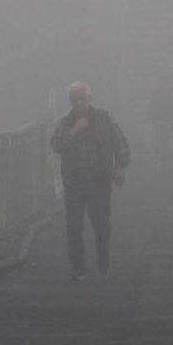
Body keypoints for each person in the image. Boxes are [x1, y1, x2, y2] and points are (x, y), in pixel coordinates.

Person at [51, 81, 130, 280]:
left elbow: (120, 143)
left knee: (101, 224)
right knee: (74, 226)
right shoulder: (63, 122)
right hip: (74, 181)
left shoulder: (104, 118)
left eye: (82, 98)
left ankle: (103, 260)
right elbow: (56, 145)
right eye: (73, 99)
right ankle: (79, 268)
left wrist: (119, 168)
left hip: (99, 180)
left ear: (89, 99)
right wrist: (75, 129)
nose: (78, 103)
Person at [147, 76, 173, 176]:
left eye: (168, 82)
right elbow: (151, 109)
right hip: (159, 125)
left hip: (172, 125)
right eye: (163, 82)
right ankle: (161, 166)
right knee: (159, 146)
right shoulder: (156, 95)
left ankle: (170, 167)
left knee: (171, 146)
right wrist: (151, 122)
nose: (166, 84)